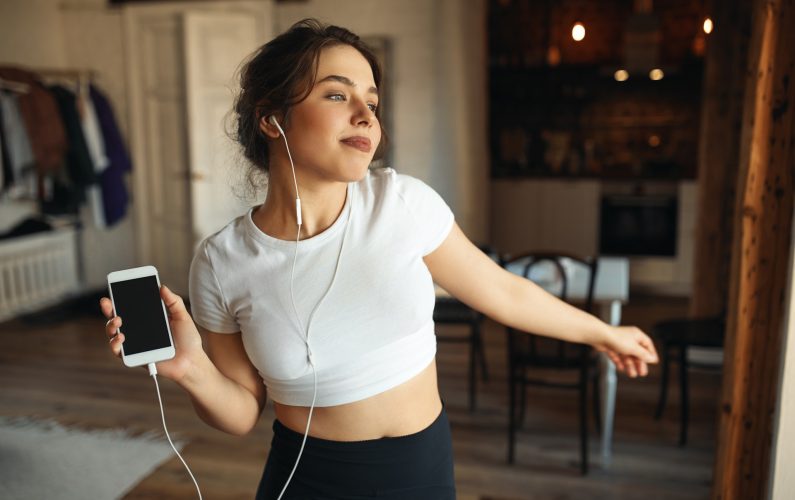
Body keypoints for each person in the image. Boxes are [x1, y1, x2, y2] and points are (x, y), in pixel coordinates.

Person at [99, 18, 659, 499]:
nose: (366, 115)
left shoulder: (403, 203)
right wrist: (191, 369)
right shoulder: (223, 262)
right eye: (338, 95)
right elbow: (243, 413)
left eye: (372, 101)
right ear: (272, 120)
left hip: (422, 471)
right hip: (306, 477)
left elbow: (505, 292)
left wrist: (601, 334)